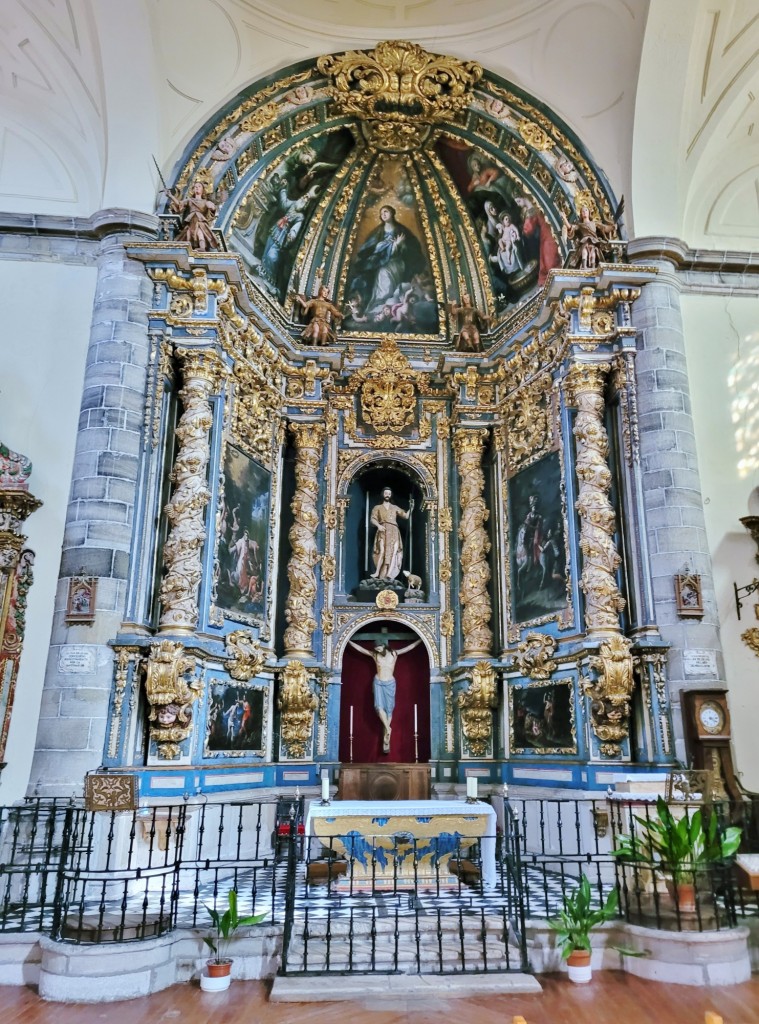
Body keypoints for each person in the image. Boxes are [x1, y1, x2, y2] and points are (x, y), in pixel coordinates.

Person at [347, 637, 423, 753]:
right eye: (375, 648)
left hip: (390, 684)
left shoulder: (394, 653)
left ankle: (387, 730)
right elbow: (361, 650)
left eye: (378, 647)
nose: (376, 649)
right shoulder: (375, 655)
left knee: (389, 709)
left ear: (384, 645)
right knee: (378, 707)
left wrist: (420, 640)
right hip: (378, 682)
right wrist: (348, 641)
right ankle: (388, 728)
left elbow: (409, 648)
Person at [348, 205, 424, 319]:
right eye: (381, 212)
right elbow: (373, 249)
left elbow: (410, 249)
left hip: (397, 264)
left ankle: (391, 308)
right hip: (382, 264)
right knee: (383, 279)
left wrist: (400, 246)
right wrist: (392, 245)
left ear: (392, 213)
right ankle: (379, 306)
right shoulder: (378, 232)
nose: (383, 214)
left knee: (394, 288)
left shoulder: (401, 230)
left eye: (386, 212)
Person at [370, 487, 414, 581]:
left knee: (394, 552)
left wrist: (411, 508)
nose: (387, 495)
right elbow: (373, 519)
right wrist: (378, 525)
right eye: (386, 493)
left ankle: (390, 574)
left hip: (394, 530)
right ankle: (377, 572)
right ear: (383, 494)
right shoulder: (377, 507)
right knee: (382, 551)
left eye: (389, 494)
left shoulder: (394, 507)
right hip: (383, 530)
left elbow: (405, 516)